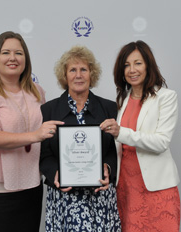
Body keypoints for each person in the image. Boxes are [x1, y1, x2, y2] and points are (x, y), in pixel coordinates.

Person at [0, 31, 63, 232]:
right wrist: (35, 135)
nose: (13, 58)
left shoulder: (37, 91)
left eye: (19, 53)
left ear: (26, 58)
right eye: (5, 52)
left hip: (30, 185)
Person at [100, 40, 181, 232]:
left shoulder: (166, 97)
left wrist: (121, 132)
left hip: (157, 187)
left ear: (148, 65)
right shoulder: (121, 102)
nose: (132, 70)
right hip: (126, 188)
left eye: (137, 63)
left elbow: (161, 142)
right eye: (126, 65)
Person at [40, 45, 121, 231]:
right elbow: (44, 155)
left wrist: (108, 168)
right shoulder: (48, 110)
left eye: (84, 69)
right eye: (73, 70)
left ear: (92, 74)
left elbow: (114, 150)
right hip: (63, 198)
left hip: (99, 197)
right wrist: (55, 174)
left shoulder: (109, 108)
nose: (78, 75)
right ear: (64, 75)